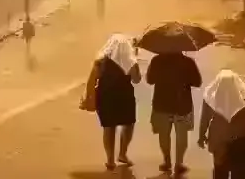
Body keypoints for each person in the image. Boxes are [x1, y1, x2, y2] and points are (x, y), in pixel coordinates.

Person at [80, 34, 141, 170]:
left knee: (109, 127)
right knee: (129, 125)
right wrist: (135, 60)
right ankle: (122, 154)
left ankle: (110, 160)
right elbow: (137, 80)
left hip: (105, 96)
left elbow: (91, 81)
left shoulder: (101, 61)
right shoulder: (129, 61)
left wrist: (89, 99)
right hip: (125, 97)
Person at [197, 69, 245, 179]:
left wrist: (201, 136)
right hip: (242, 143)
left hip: (219, 143)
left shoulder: (212, 98)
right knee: (240, 174)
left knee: (220, 173)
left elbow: (205, 119)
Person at [146, 48, 202, 175]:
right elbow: (197, 82)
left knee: (163, 135)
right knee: (182, 135)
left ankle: (167, 161)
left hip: (161, 104)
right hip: (182, 104)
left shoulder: (156, 61)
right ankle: (178, 163)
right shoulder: (188, 62)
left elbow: (149, 80)